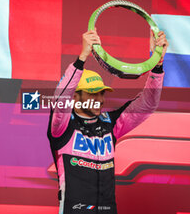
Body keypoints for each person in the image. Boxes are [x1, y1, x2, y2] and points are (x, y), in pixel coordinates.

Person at [47, 29, 168, 214]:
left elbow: (147, 104)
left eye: (101, 93)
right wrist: (82, 58)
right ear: (76, 96)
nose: (99, 99)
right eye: (92, 93)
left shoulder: (110, 122)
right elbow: (61, 100)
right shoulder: (63, 127)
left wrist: (157, 65)